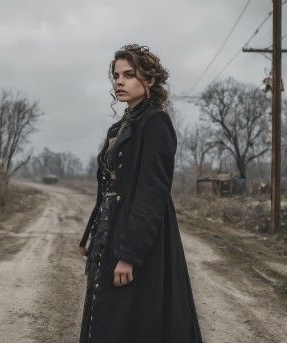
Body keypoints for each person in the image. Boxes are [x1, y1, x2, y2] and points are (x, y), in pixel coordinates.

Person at [78, 44, 203, 343]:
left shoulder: (156, 122)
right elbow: (107, 188)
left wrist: (130, 254)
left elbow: (152, 192)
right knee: (107, 313)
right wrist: (91, 234)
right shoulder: (120, 126)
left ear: (148, 80)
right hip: (112, 231)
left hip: (139, 237)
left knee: (133, 320)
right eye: (116, 75)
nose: (119, 81)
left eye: (128, 75)